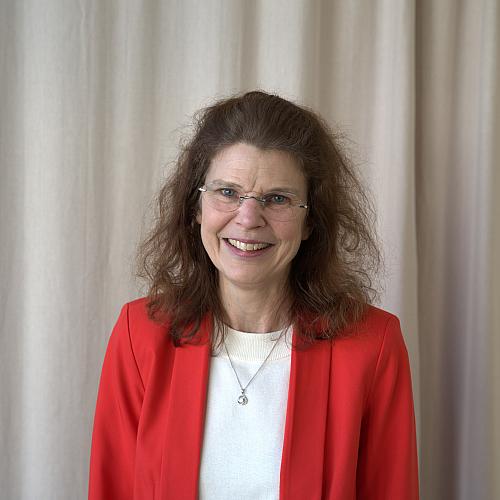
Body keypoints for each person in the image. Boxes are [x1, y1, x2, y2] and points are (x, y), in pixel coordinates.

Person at [88, 90, 419, 499]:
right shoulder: (139, 335)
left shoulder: (373, 345)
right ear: (197, 208)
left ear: (311, 222)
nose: (247, 219)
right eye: (227, 192)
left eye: (277, 198)